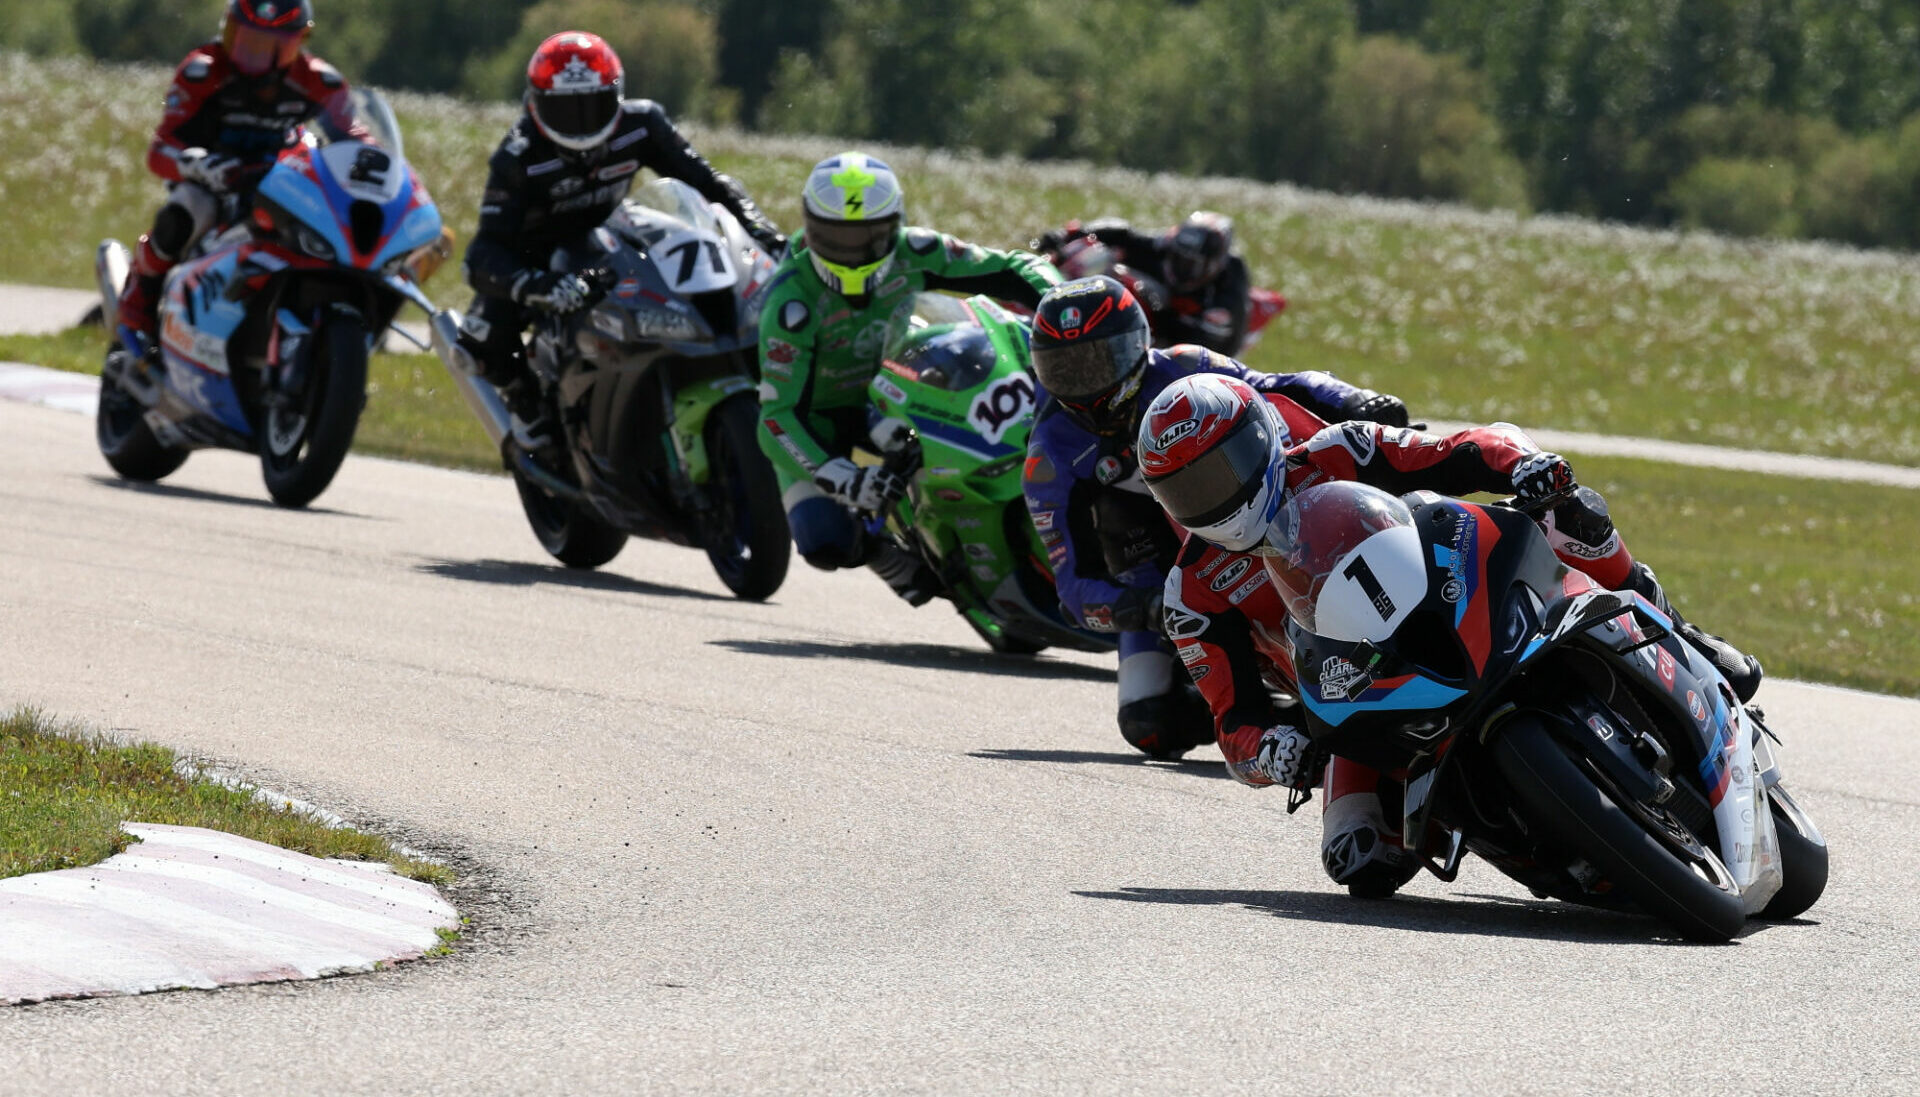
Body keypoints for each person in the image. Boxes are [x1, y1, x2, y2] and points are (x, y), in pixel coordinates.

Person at [1136, 372, 1764, 896]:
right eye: (1189, 489)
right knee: (1360, 860)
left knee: (1569, 514)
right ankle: (1539, 840)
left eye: (1222, 470)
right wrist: (1273, 750)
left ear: (1262, 441)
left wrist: (1526, 465)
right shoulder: (1189, 592)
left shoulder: (1337, 451)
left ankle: (1687, 634)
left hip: (1442, 594)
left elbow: (1455, 450)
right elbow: (1231, 721)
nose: (1216, 498)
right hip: (1354, 690)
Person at [1022, 275, 1409, 759]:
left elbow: (1279, 386)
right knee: (1149, 723)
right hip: (1165, 572)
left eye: (1099, 361)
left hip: (1271, 505)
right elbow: (1074, 590)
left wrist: (1357, 401)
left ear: (1139, 342)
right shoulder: (1049, 458)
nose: (1085, 383)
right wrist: (1148, 608)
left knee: (1393, 469)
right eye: (1066, 370)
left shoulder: (1188, 365)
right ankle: (1290, 730)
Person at [756, 151, 1061, 604]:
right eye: (835, 236)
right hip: (817, 419)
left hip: (891, 392)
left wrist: (1063, 297)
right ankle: (881, 552)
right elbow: (777, 418)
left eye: (867, 237)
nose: (851, 251)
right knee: (824, 540)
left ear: (894, 226)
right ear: (810, 224)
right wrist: (837, 474)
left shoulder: (916, 250)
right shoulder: (789, 301)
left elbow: (1011, 267)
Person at [459, 31, 785, 447]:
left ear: (617, 95)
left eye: (591, 105)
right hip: (536, 255)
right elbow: (483, 253)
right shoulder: (519, 155)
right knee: (480, 340)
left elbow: (709, 185)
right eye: (563, 108)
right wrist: (538, 286)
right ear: (535, 102)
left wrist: (763, 233)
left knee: (710, 287)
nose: (579, 121)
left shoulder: (642, 123)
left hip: (615, 234)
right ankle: (528, 410)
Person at [115, 0, 363, 365]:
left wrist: (371, 161)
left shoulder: (320, 81)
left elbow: (355, 137)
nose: (251, 54)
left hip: (285, 187)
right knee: (184, 213)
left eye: (268, 45)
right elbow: (160, 149)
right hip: (213, 185)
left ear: (297, 43)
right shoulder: (202, 71)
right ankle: (137, 304)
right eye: (243, 38)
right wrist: (196, 164)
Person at [1034, 211, 1253, 355]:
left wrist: (1162, 315)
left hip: (1191, 335)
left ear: (1215, 264)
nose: (1181, 267)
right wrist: (1067, 236)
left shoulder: (1228, 289)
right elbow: (1123, 234)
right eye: (1178, 257)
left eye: (1191, 264)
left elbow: (1209, 345)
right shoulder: (1163, 248)